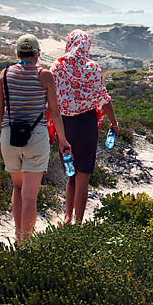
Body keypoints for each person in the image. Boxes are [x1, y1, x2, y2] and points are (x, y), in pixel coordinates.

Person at [0, 34, 71, 243]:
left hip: (9, 137)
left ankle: (18, 239)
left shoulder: (5, 74)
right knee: (29, 196)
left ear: (18, 53)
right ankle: (26, 243)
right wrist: (62, 140)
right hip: (36, 137)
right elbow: (54, 112)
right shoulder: (45, 76)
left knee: (17, 189)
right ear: (37, 54)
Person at [51, 29, 120, 224]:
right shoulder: (94, 68)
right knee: (83, 177)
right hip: (87, 124)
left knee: (71, 173)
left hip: (64, 125)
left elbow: (50, 99)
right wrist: (114, 123)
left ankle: (67, 217)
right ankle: (79, 221)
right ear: (86, 45)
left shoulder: (57, 66)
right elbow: (104, 99)